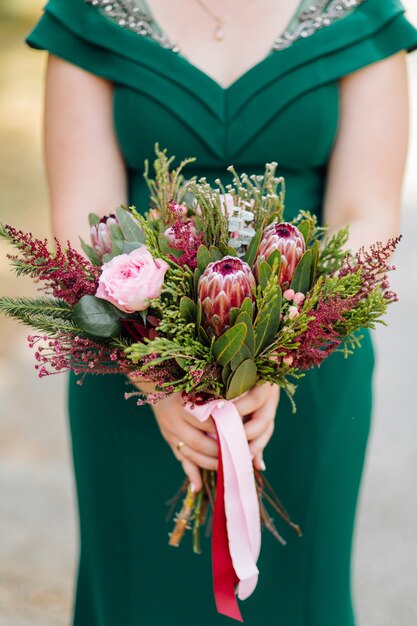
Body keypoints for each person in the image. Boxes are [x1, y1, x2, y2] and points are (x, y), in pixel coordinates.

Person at [25, 1, 417, 624]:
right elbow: (84, 219)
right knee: (134, 595)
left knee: (299, 602)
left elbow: (367, 216)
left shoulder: (358, 14)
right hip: (129, 371)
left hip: (305, 380)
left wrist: (279, 357)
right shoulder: (89, 12)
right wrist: (153, 373)